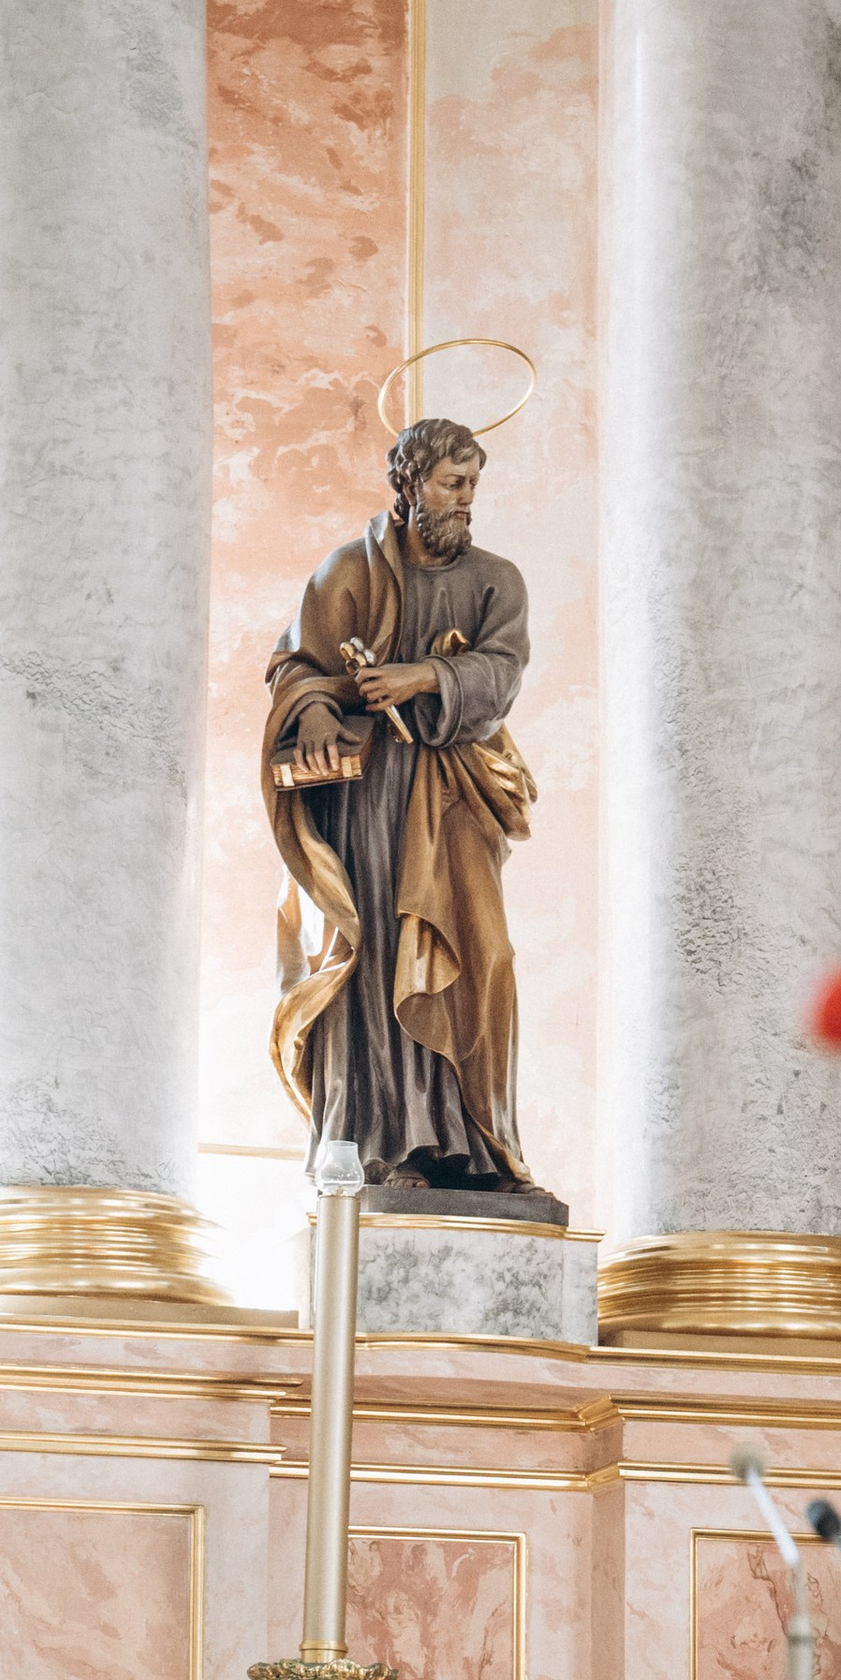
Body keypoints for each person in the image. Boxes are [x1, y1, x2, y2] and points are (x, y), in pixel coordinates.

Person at [262, 417, 541, 1194]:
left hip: (454, 792)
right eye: (453, 483)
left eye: (473, 484)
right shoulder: (350, 570)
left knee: (482, 956)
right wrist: (320, 714)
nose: (466, 498)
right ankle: (384, 1146)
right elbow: (295, 667)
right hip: (369, 799)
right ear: (411, 484)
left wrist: (420, 678)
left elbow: (501, 672)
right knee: (377, 955)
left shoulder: (496, 580)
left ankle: (481, 1149)